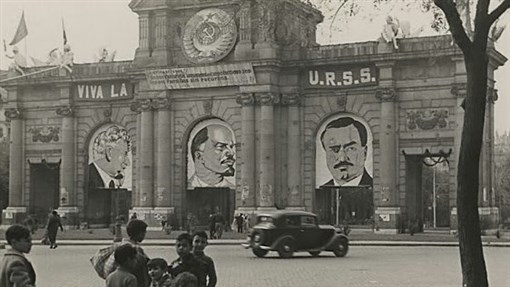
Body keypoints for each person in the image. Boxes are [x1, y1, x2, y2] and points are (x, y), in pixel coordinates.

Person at [320, 117, 373, 187]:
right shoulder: (320, 192)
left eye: (350, 148)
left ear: (365, 153)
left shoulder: (375, 188)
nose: (342, 158)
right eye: (334, 149)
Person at [121, 219, 150, 287]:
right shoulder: (136, 249)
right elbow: (144, 267)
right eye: (144, 232)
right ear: (139, 233)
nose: (144, 235)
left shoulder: (123, 244)